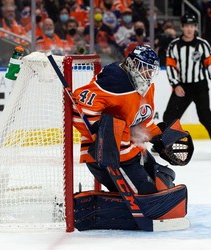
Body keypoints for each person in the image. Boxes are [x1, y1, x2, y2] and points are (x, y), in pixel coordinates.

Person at [72, 45, 192, 196]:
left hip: (131, 151)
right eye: (145, 68)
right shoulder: (115, 80)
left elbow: (143, 121)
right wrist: (103, 135)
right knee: (146, 192)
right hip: (105, 157)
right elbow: (79, 109)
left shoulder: (147, 87)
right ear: (132, 64)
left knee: (162, 178)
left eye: (151, 71)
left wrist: (158, 138)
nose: (148, 75)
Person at [161, 13, 211, 157]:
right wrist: (175, 84)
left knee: (205, 116)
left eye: (192, 26)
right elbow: (170, 66)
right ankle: (164, 144)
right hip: (182, 86)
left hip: (200, 86)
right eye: (186, 26)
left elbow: (210, 64)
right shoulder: (174, 46)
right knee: (170, 115)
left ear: (195, 27)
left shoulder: (203, 44)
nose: (189, 29)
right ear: (182, 27)